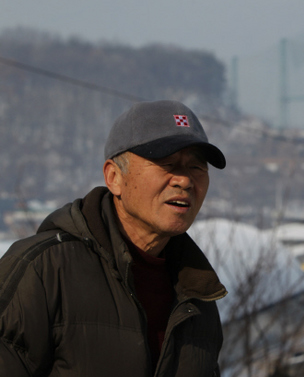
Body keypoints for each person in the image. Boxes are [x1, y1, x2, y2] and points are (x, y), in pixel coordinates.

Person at [0, 100, 228, 376]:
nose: (185, 181)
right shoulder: (43, 271)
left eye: (196, 168)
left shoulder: (198, 295)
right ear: (114, 177)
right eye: (167, 163)